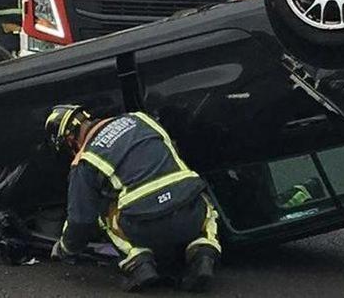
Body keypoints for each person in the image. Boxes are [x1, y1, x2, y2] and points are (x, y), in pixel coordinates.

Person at [46, 105, 221, 293]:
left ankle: (139, 265)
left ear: (70, 139)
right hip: (188, 211)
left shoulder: (85, 160)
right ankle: (203, 255)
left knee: (102, 212)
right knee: (203, 201)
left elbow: (81, 221)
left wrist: (64, 249)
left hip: (145, 226)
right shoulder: (141, 119)